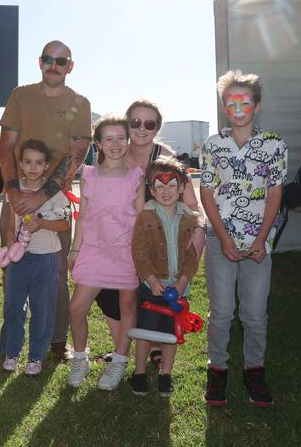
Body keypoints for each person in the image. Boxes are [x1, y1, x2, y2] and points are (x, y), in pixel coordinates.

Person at [0, 39, 92, 361]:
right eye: (49, 59)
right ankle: (10, 338)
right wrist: (14, 189)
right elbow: (5, 147)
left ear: (70, 66)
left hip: (54, 197)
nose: (54, 65)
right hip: (16, 193)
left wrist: (44, 194)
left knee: (54, 272)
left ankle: (57, 341)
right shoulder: (21, 95)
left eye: (61, 61)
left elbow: (79, 152)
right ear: (40, 62)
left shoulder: (80, 102)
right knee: (11, 264)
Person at [95, 99, 207, 369]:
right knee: (107, 293)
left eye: (149, 123)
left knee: (154, 295)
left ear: (157, 127)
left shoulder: (165, 157)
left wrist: (200, 227)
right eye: (135, 122)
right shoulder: (115, 154)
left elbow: (192, 205)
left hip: (155, 243)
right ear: (127, 123)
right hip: (119, 241)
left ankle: (156, 347)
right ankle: (123, 351)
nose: (141, 129)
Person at [200, 70, 287, 407]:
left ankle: (254, 371)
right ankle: (217, 369)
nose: (238, 107)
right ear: (224, 108)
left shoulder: (274, 144)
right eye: (231, 101)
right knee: (221, 311)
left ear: (257, 105)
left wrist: (261, 240)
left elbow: (275, 195)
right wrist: (222, 239)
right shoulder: (213, 145)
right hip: (220, 239)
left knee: (254, 312)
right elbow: (207, 193)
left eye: (244, 101)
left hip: (258, 244)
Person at [67, 116, 144, 390]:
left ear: (128, 140)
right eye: (108, 139)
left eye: (121, 138)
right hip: (94, 252)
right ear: (98, 142)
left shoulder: (136, 176)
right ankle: (80, 358)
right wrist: (75, 249)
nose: (115, 144)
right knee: (76, 308)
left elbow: (142, 218)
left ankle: (120, 362)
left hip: (126, 253)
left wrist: (142, 256)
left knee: (127, 308)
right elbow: (84, 216)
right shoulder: (89, 174)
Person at [128, 156, 200, 397]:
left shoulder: (190, 219)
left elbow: (192, 256)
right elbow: (138, 251)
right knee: (146, 332)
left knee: (171, 334)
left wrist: (182, 282)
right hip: (151, 287)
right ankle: (138, 372)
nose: (166, 191)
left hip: (178, 291)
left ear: (181, 188)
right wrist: (151, 279)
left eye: (172, 186)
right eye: (160, 186)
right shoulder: (145, 217)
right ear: (151, 189)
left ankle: (166, 374)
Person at [0, 139, 70, 375]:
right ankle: (12, 352)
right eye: (28, 162)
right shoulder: (14, 190)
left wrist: (42, 224)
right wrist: (10, 247)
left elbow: (64, 224)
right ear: (20, 164)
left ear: (46, 166)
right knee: (13, 307)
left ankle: (36, 356)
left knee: (42, 309)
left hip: (46, 258)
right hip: (20, 259)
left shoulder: (54, 192)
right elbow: (11, 224)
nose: (33, 167)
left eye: (38, 163)